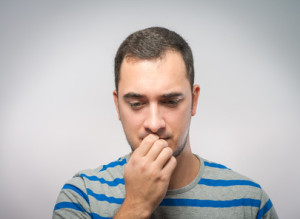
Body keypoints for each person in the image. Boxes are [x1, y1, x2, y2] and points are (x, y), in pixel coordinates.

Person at [53, 27, 278, 219]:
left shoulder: (249, 201)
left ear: (194, 100)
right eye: (136, 103)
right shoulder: (81, 196)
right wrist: (136, 205)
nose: (154, 123)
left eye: (170, 101)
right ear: (117, 105)